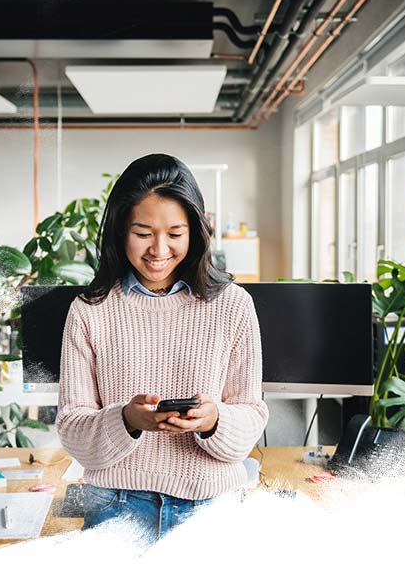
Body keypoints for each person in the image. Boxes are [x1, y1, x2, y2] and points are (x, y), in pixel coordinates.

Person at [55, 153, 269, 544]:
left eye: (175, 233)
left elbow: (252, 417)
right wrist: (127, 420)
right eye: (143, 233)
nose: (159, 249)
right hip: (114, 503)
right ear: (121, 231)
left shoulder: (233, 305)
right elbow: (72, 429)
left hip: (211, 504)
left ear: (195, 232)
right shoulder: (89, 312)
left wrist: (213, 420)